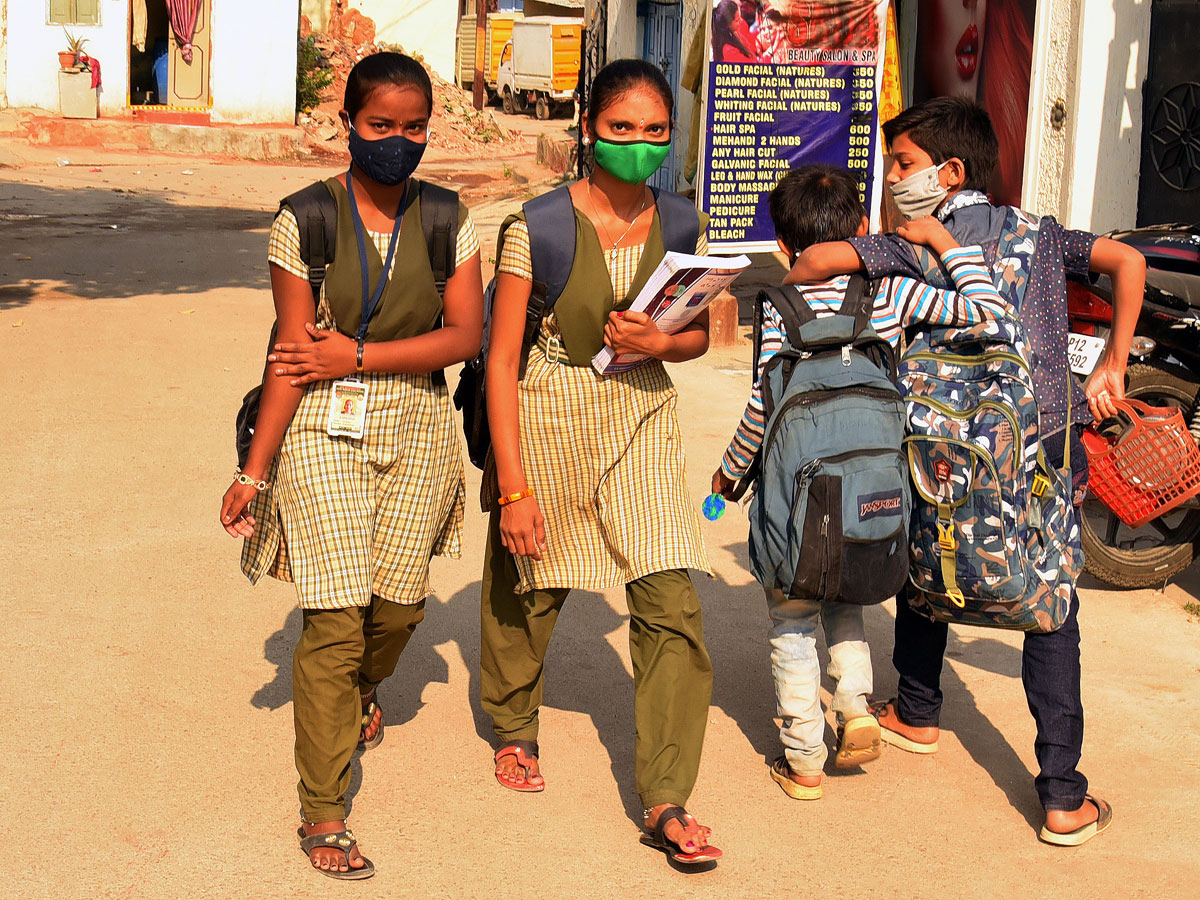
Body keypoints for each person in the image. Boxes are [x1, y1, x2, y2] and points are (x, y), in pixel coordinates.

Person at [785, 97, 1145, 845]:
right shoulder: (1040, 238)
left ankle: (917, 710)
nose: (893, 178)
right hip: (1038, 444)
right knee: (1051, 601)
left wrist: (845, 253)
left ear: (949, 172)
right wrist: (1113, 359)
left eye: (904, 164)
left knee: (928, 560)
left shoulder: (914, 240)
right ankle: (1061, 795)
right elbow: (1128, 260)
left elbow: (818, 261)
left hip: (931, 447)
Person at [219, 51, 484, 879]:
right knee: (334, 617)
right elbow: (295, 358)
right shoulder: (305, 218)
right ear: (349, 126)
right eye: (380, 126)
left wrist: (360, 355)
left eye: (413, 128)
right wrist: (253, 475)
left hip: (417, 423)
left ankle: (362, 694)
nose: (397, 141)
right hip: (320, 432)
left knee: (398, 608)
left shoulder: (449, 218)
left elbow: (465, 337)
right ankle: (324, 810)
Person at [481, 58, 721, 868]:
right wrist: (513, 488)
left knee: (668, 594)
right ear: (591, 132)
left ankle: (666, 793)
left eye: (656, 132)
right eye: (623, 130)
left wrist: (663, 342)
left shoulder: (682, 223)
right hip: (548, 411)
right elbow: (501, 361)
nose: (640, 145)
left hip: (641, 418)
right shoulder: (537, 228)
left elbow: (696, 334)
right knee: (533, 578)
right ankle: (515, 724)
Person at [711, 164, 1008, 800]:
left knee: (792, 620)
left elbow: (764, 409)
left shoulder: (778, 308)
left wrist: (731, 473)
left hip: (797, 502)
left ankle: (805, 761)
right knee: (845, 601)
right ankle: (855, 707)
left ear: (785, 245)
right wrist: (943, 244)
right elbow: (987, 313)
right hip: (871, 495)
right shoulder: (893, 294)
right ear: (861, 231)